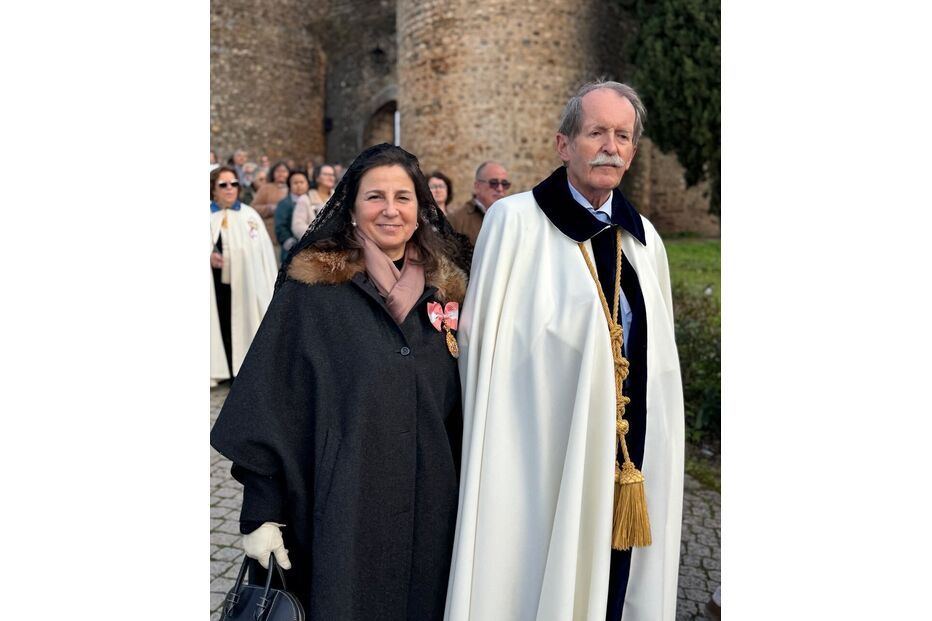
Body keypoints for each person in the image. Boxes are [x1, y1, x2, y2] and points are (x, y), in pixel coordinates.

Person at [444, 80, 684, 621]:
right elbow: (486, 350)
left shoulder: (644, 238)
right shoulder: (515, 223)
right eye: (596, 132)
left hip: (630, 451)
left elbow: (660, 358)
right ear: (563, 144)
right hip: (542, 448)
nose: (610, 146)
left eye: (623, 136)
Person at [210, 143, 470, 618]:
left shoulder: (450, 291)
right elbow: (271, 404)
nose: (390, 210)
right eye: (375, 197)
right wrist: (262, 513)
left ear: (421, 208)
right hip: (343, 510)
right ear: (351, 207)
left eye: (403, 197)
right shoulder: (312, 293)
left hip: (433, 511)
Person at [210, 166, 278, 386]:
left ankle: (243, 369)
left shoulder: (250, 216)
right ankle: (219, 369)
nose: (230, 189)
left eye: (234, 184)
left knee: (243, 320)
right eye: (223, 185)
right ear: (213, 189)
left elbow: (262, 253)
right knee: (218, 322)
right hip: (213, 286)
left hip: (245, 284)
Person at [446, 161, 511, 246]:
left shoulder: (512, 218)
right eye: (493, 183)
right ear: (477, 186)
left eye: (504, 184)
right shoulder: (456, 220)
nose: (500, 188)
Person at [250, 160, 292, 257]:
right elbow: (253, 208)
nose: (281, 174)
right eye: (278, 171)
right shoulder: (266, 188)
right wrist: (270, 208)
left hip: (290, 236)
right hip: (271, 235)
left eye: (284, 171)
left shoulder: (293, 188)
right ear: (273, 173)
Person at [291, 163, 336, 239]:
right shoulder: (305, 199)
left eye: (332, 175)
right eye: (326, 174)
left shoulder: (340, 199)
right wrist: (317, 236)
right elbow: (297, 226)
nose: (330, 177)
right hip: (313, 246)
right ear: (317, 178)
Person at [274, 169, 309, 263]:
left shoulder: (311, 201)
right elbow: (280, 227)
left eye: (302, 182)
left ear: (307, 184)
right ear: (290, 186)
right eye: (295, 183)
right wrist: (290, 243)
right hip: (291, 250)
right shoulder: (284, 204)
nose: (299, 185)